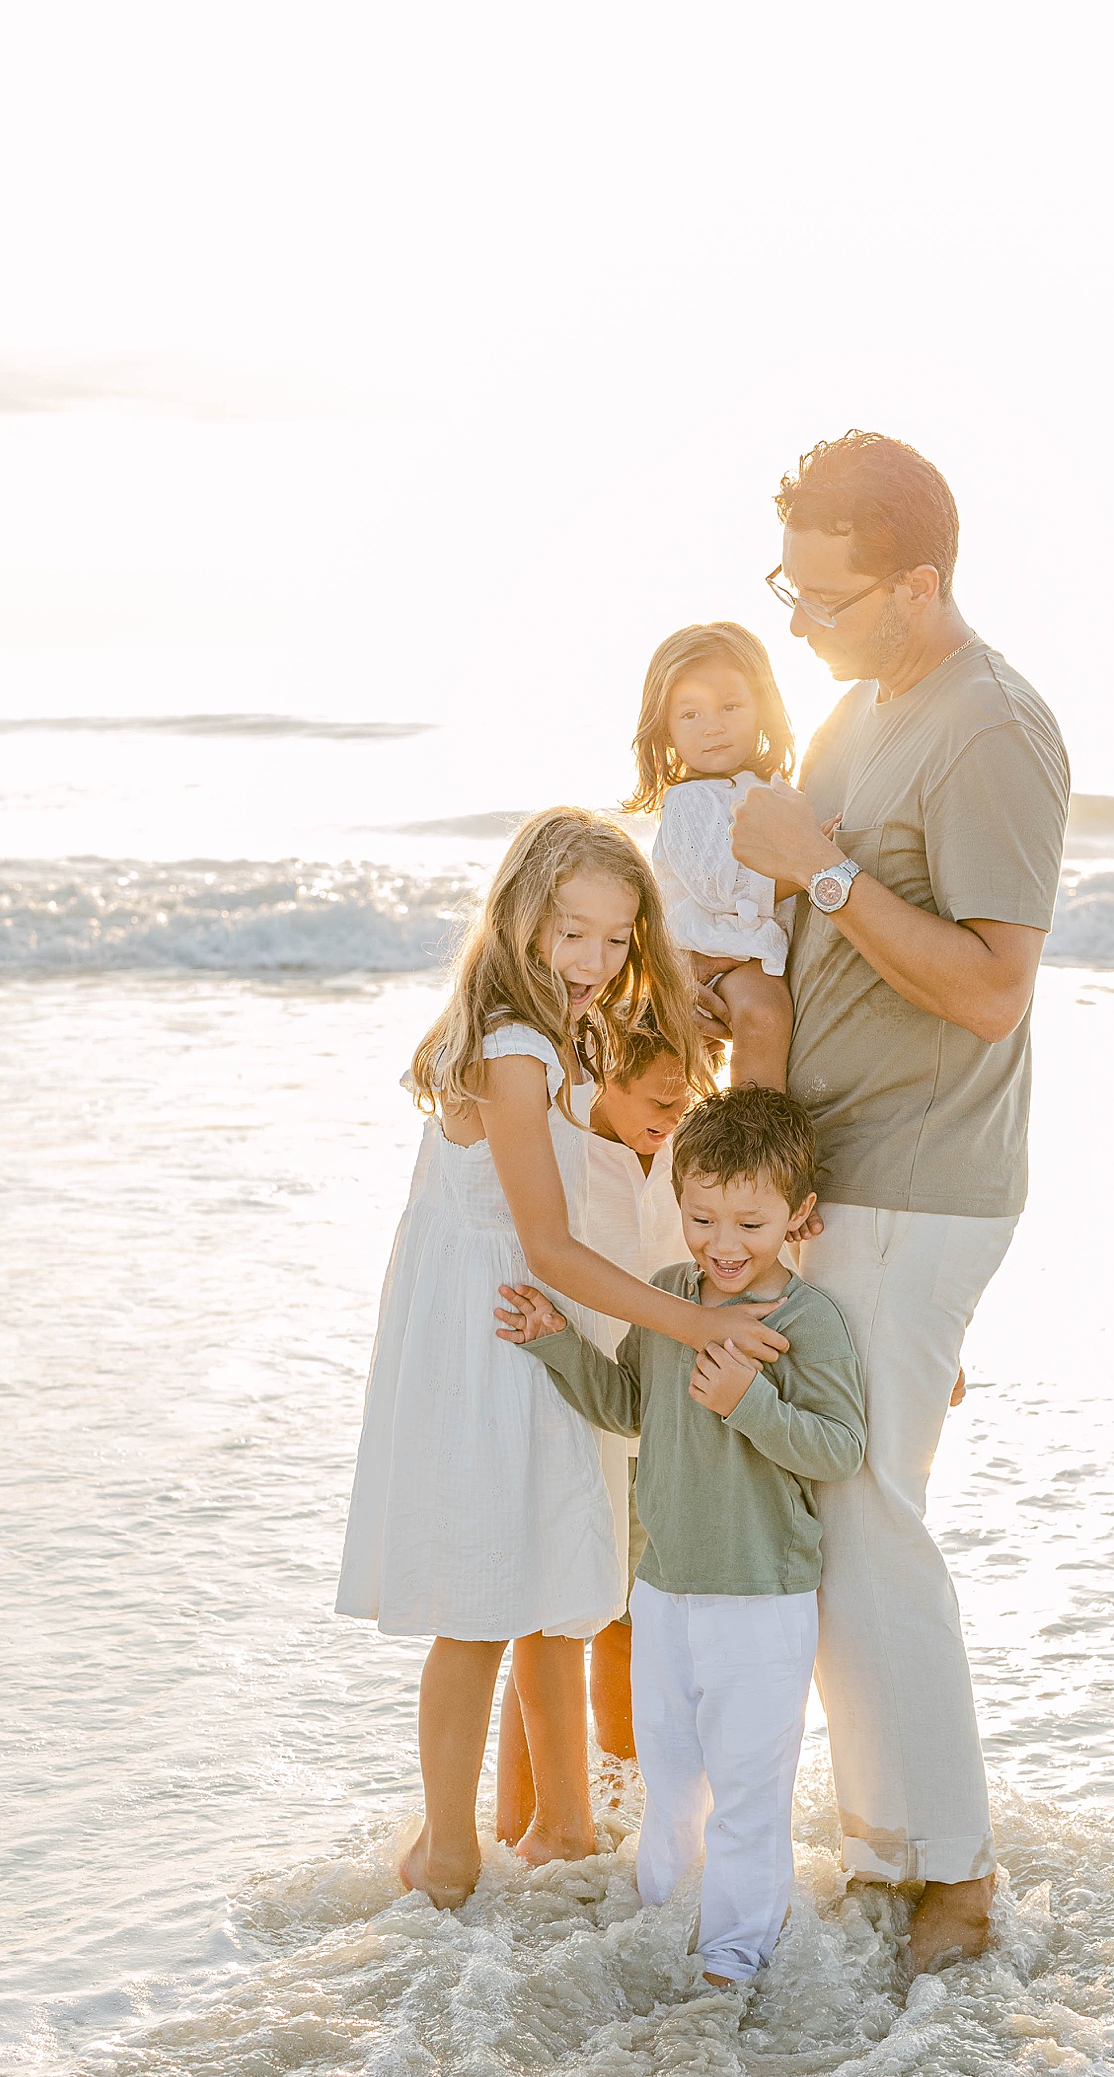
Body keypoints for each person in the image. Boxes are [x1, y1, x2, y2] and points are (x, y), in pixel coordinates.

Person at [728, 431, 1070, 1976]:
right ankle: (891, 1840)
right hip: (833, 1179)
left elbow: (995, 992)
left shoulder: (990, 729)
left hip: (923, 1185)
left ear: (918, 583)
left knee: (866, 1510)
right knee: (835, 1511)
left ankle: (954, 1878)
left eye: (824, 595)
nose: (795, 622)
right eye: (783, 588)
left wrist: (818, 879)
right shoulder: (857, 711)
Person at [335, 808, 789, 1913]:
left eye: (616, 938)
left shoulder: (539, 1027)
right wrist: (692, 1325)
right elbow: (546, 1239)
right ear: (522, 918)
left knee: (533, 1581)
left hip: (506, 1325)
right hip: (500, 1328)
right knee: (480, 1599)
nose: (593, 962)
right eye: (571, 933)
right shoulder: (515, 1046)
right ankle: (445, 1851)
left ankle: (528, 1828)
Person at [498, 1087, 866, 1990]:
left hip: (762, 1599)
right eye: (702, 1216)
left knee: (748, 1792)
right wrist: (558, 1345)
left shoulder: (808, 1322)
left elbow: (841, 1448)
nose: (723, 1242)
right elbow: (631, 1405)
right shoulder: (668, 1298)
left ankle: (736, 1954)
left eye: (750, 1220)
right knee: (669, 1774)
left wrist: (750, 1405)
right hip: (661, 1589)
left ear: (797, 1217)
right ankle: (661, 1917)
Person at [494, 1014, 691, 1836]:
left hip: (666, 1424)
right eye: (656, 1099)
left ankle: (620, 1805)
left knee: (632, 1621)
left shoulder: (690, 1153)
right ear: (604, 1077)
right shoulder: (568, 1152)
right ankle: (516, 1824)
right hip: (581, 1412)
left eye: (685, 1099)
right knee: (561, 1619)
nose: (672, 1114)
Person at [627, 623, 798, 1091]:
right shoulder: (688, 802)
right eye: (691, 715)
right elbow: (723, 887)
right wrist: (809, 869)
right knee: (762, 1014)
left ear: (762, 709)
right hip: (716, 952)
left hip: (755, 950)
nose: (714, 726)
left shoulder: (773, 790)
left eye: (730, 706)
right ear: (666, 730)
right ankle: (755, 1125)